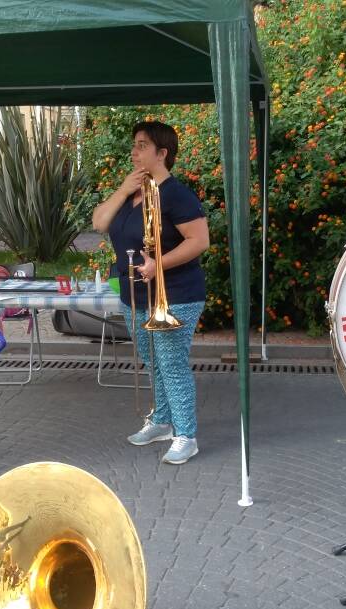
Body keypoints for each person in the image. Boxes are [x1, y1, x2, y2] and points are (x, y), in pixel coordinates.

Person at [92, 121, 210, 464]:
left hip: (177, 294)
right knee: (153, 363)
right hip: (136, 297)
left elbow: (199, 241)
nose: (134, 151)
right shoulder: (131, 193)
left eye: (142, 145)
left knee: (171, 364)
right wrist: (123, 188)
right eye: (134, 145)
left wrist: (159, 264)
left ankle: (186, 434)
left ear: (162, 153)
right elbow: (99, 222)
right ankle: (161, 421)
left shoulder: (177, 194)